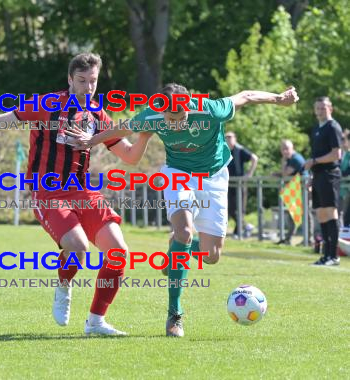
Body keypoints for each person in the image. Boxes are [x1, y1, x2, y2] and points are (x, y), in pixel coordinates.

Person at [0, 53, 153, 335]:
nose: (87, 87)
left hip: (83, 191)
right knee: (78, 248)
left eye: (93, 81)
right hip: (48, 193)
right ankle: (64, 285)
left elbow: (130, 156)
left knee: (119, 253)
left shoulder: (97, 114)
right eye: (82, 80)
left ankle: (96, 322)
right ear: (70, 79)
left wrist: (145, 134)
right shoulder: (48, 104)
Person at [69, 83, 299, 337]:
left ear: (189, 106)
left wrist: (279, 99)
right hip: (178, 174)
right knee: (184, 232)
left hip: (214, 176)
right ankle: (174, 314)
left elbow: (246, 96)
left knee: (212, 256)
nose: (176, 124)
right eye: (170, 119)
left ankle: (176, 250)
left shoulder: (211, 110)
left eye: (180, 118)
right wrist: (91, 140)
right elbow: (123, 127)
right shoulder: (153, 114)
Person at [304, 96, 343, 266]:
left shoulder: (333, 127)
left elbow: (336, 155)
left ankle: (333, 255)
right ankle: (325, 255)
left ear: (330, 108)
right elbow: (315, 156)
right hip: (318, 176)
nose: (320, 111)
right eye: (317, 108)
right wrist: (312, 177)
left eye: (323, 108)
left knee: (330, 212)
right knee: (320, 213)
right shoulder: (316, 129)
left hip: (330, 175)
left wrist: (315, 162)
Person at [225, 131, 258, 238]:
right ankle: (246, 226)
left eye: (230, 137)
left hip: (240, 184)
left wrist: (249, 174)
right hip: (229, 183)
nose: (228, 139)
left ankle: (238, 232)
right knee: (230, 209)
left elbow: (254, 158)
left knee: (240, 209)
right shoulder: (224, 150)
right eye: (226, 137)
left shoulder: (240, 150)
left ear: (235, 138)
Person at [276, 139, 308, 245]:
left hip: (304, 189)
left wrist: (283, 162)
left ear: (292, 148)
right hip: (295, 189)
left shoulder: (295, 159)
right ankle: (288, 239)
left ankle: (310, 239)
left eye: (287, 149)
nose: (285, 151)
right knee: (292, 214)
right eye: (283, 149)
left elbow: (285, 173)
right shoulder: (290, 158)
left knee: (306, 214)